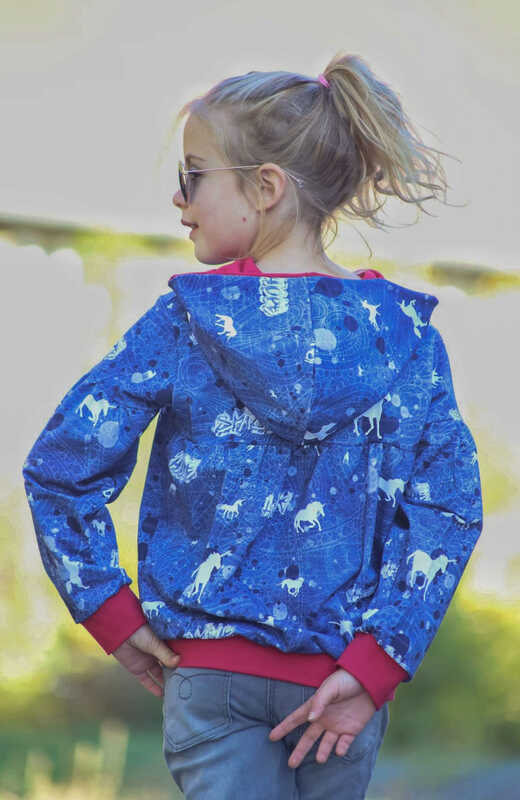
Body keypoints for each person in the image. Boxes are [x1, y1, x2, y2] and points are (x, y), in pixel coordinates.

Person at [23, 51, 483, 800]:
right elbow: (449, 510)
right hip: (342, 686)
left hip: (210, 681)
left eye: (194, 175)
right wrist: (380, 664)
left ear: (266, 188)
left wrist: (106, 606)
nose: (179, 198)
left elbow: (60, 467)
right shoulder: (405, 340)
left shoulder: (183, 321)